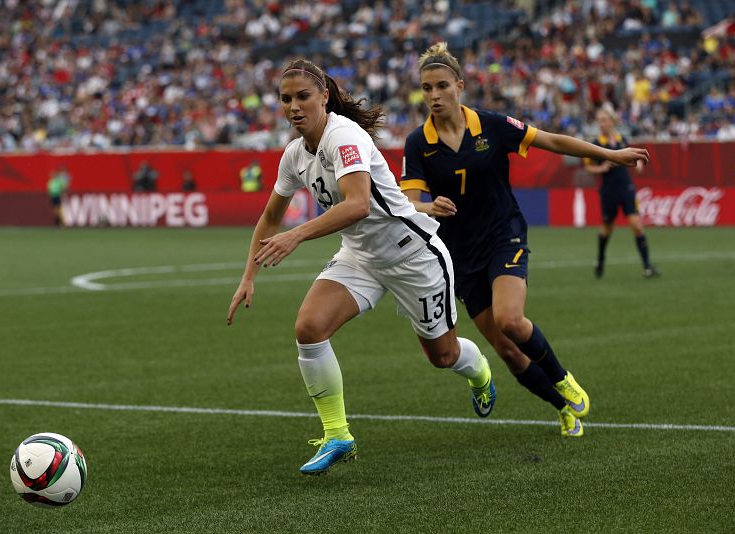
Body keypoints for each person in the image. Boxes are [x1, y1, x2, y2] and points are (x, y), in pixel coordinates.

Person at [226, 58, 496, 475]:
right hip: (360, 256)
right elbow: (270, 218)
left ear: (324, 97)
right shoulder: (295, 153)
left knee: (443, 356)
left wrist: (298, 235)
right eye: (285, 99)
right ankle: (338, 435)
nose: (294, 106)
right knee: (309, 329)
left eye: (303, 97)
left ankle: (479, 373)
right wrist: (248, 276)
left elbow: (357, 204)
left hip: (412, 254)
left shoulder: (344, 136)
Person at [401, 43, 648, 438]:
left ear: (459, 86)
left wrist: (612, 155)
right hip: (460, 257)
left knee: (510, 320)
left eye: (441, 86)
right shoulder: (418, 143)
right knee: (508, 351)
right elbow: (409, 203)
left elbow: (553, 141)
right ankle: (561, 406)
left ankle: (562, 377)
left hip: (504, 233)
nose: (433, 96)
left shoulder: (492, 125)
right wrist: (429, 209)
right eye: (426, 88)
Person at [584, 106, 658, 278]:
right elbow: (588, 168)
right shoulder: (596, 144)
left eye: (603, 120)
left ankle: (647, 267)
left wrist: (638, 162)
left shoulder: (622, 140)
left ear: (612, 121)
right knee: (607, 229)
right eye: (599, 121)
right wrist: (601, 168)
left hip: (626, 187)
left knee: (637, 226)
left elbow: (631, 157)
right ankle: (600, 261)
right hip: (608, 190)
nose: (601, 124)